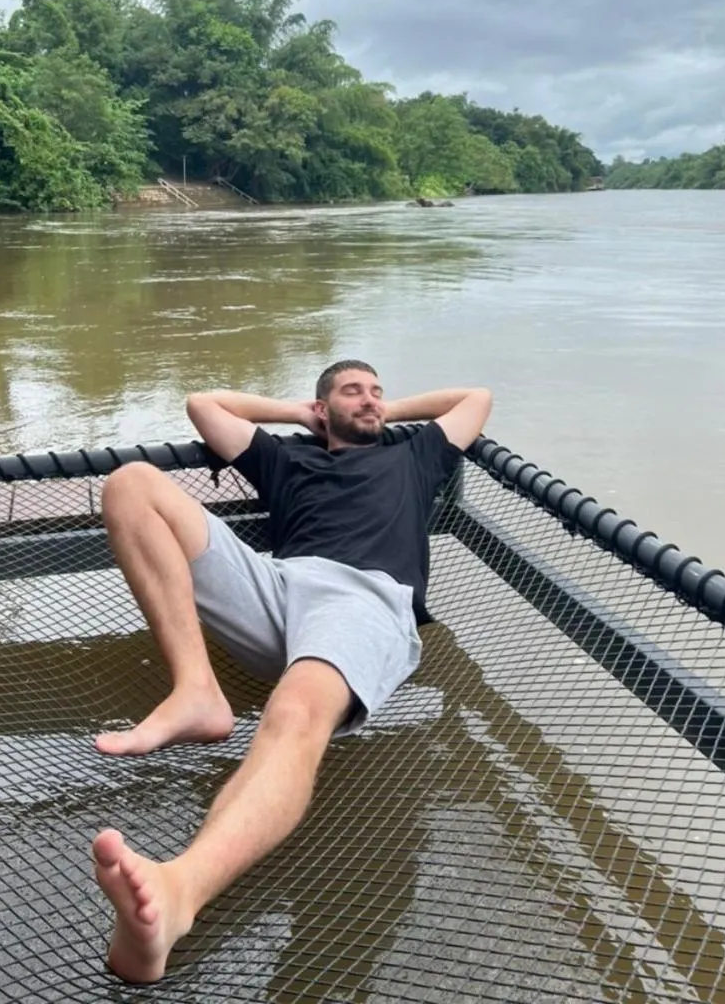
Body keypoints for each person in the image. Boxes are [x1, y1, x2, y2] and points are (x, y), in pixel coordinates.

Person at [90, 360, 493, 983]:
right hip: (279, 587)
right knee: (131, 483)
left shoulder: (415, 455)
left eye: (376, 392)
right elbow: (204, 403)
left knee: (294, 713)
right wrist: (298, 415)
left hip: (365, 599)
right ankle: (197, 689)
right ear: (321, 407)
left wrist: (385, 411)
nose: (370, 401)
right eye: (352, 392)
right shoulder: (286, 459)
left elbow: (476, 395)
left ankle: (180, 893)